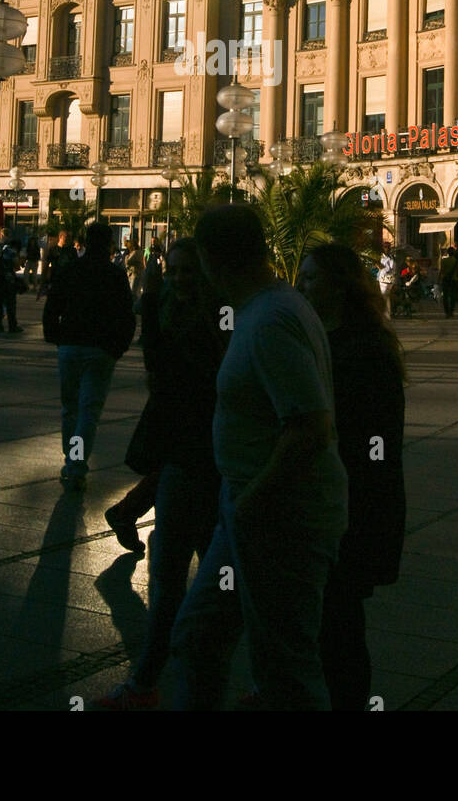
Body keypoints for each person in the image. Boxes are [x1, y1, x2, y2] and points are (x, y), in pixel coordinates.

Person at [170, 205, 348, 712]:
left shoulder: (270, 319)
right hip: (251, 511)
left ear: (209, 258)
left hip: (278, 517)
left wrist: (249, 504)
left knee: (285, 670)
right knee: (200, 636)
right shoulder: (270, 308)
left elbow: (310, 427)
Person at [94, 239, 226, 710]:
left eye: (188, 271)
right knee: (173, 571)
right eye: (172, 271)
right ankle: (149, 679)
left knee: (198, 572)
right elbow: (158, 373)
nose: (179, 279)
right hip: (182, 453)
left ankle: (157, 679)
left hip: (208, 457)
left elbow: (187, 375)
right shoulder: (169, 310)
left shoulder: (216, 318)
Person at [296, 245, 406, 711]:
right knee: (332, 618)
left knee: (338, 622)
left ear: (339, 286)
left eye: (310, 279)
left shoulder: (360, 348)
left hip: (353, 505)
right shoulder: (334, 339)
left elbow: (359, 440)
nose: (300, 287)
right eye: (300, 279)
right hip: (342, 501)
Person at [43, 222, 136, 491]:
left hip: (70, 345)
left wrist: (56, 336)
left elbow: (53, 305)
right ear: (108, 244)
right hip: (100, 349)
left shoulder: (71, 269)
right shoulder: (114, 275)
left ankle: (71, 460)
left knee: (70, 409)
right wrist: (118, 347)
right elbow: (126, 316)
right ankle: (76, 465)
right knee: (88, 412)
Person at [0, 228, 22, 334]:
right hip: (8, 279)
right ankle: (12, 326)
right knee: (10, 303)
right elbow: (17, 265)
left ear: (0, 235)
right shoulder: (10, 249)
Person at [39, 229, 77, 297]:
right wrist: (43, 283)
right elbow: (46, 265)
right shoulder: (53, 249)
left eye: (69, 238)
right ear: (60, 237)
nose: (68, 240)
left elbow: (75, 266)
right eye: (66, 238)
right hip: (55, 280)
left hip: (68, 281)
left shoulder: (72, 250)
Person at [439, 246, 458, 318]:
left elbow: (441, 271)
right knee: (453, 297)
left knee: (445, 296)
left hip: (445, 280)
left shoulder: (443, 261)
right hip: (454, 280)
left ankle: (447, 312)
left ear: (447, 253)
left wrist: (438, 280)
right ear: (454, 253)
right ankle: (451, 311)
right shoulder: (457, 261)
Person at [376, 240, 396, 318]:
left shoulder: (391, 258)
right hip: (382, 279)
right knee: (386, 297)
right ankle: (387, 314)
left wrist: (381, 267)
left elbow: (390, 269)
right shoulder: (381, 257)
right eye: (385, 247)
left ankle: (384, 313)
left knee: (384, 296)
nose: (386, 249)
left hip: (387, 280)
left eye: (388, 247)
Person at [125, 233, 145, 302]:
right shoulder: (140, 252)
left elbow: (127, 262)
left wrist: (127, 256)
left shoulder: (135, 253)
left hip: (134, 274)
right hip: (138, 274)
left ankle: (134, 306)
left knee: (133, 292)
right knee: (137, 292)